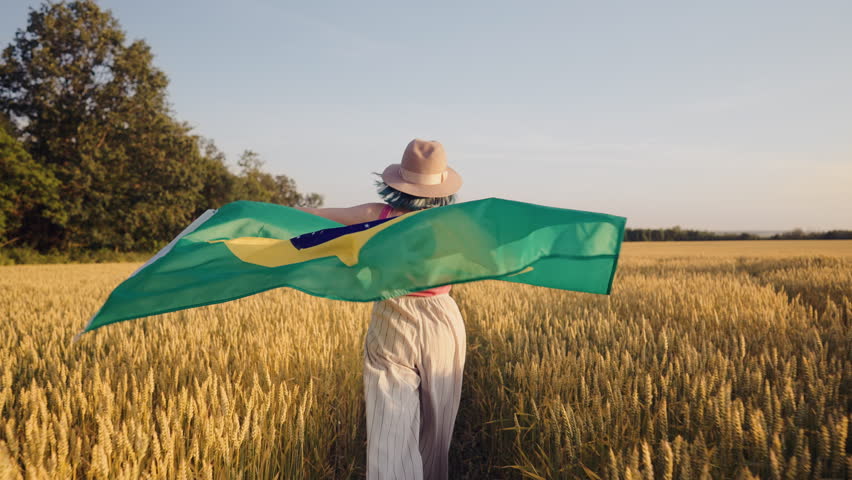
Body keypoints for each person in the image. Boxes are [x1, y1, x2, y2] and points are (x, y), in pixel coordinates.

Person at [297, 138, 465, 479]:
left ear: (399, 182)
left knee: (390, 422)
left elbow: (312, 217)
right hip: (442, 323)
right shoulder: (456, 222)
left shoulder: (376, 215)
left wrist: (255, 216)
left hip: (393, 319)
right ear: (442, 186)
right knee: (437, 427)